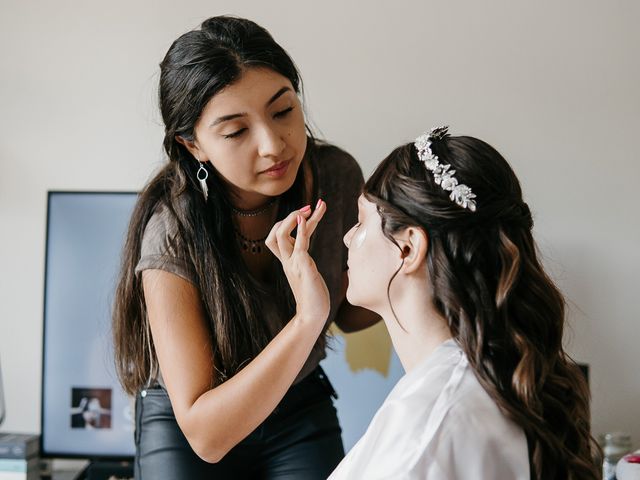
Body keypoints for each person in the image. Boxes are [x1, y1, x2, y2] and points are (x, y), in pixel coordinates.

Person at [112, 16, 379, 479]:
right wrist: (308, 318)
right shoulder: (170, 232)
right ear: (193, 145)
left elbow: (354, 314)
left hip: (295, 401)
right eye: (236, 131)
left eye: (282, 111)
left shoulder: (335, 177)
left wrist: (422, 264)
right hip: (193, 423)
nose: (273, 145)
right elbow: (206, 437)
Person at [272, 126, 601, 479]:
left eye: (362, 220)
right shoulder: (473, 380)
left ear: (408, 248)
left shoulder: (430, 429)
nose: (348, 237)